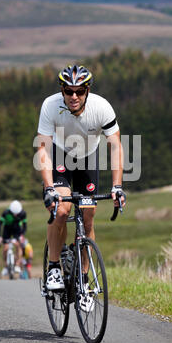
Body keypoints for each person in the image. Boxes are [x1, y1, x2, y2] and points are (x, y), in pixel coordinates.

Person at [36, 65, 126, 293]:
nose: (74, 96)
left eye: (79, 91)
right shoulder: (50, 105)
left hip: (88, 158)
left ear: (87, 90)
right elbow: (43, 149)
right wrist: (49, 188)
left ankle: (83, 280)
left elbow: (115, 146)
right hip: (60, 156)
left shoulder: (101, 107)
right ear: (62, 90)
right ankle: (54, 267)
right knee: (62, 209)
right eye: (68, 91)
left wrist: (117, 186)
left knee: (88, 218)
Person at [0, 200, 27, 278]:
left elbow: (24, 226)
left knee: (18, 245)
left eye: (17, 214)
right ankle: (6, 266)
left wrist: (22, 235)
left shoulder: (23, 213)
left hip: (17, 230)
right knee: (5, 248)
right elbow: (0, 225)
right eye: (14, 214)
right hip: (7, 230)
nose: (16, 215)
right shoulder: (5, 213)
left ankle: (17, 264)